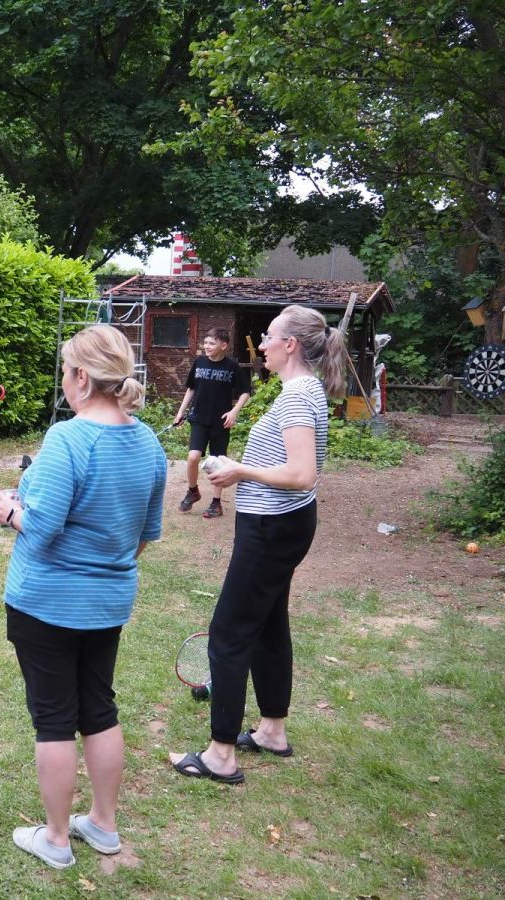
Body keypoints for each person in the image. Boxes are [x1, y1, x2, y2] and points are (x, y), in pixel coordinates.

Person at [0, 324, 166, 869]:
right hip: (108, 604)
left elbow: (41, 528)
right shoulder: (148, 442)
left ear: (83, 378)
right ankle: (104, 826)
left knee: (53, 719)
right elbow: (144, 535)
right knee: (98, 709)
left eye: (66, 371)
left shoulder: (68, 438)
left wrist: (10, 511)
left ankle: (57, 839)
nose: (64, 380)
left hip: (46, 603)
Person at [169, 305, 346, 784]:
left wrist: (240, 470)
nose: (261, 344)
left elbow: (303, 473)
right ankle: (271, 731)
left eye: (268, 337)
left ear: (290, 344)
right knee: (268, 625)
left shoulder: (297, 396)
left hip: (272, 528)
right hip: (281, 524)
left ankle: (220, 756)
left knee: (228, 633)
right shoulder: (303, 390)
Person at [172, 328, 252, 519]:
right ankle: (193, 491)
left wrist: (234, 411)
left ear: (223, 346)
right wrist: (180, 412)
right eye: (205, 343)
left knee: (217, 462)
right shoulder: (199, 362)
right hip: (199, 419)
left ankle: (216, 503)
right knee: (193, 457)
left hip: (221, 422)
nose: (207, 346)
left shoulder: (232, 366)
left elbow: (245, 392)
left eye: (211, 343)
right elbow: (191, 389)